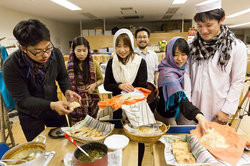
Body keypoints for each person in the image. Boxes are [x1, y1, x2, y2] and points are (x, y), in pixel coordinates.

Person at [3, 19, 81, 141]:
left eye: (48, 48)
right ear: (23, 48)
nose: (45, 55)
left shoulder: (55, 54)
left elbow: (62, 76)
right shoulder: (11, 66)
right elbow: (23, 100)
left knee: (64, 140)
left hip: (54, 108)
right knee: (39, 147)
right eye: (38, 52)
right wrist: (52, 105)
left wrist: (67, 90)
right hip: (30, 114)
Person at [184, 0, 247, 125]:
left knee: (214, 142)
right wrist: (188, 107)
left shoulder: (235, 46)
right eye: (200, 26)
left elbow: (237, 81)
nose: (204, 30)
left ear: (221, 20)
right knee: (192, 141)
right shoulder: (192, 46)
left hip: (218, 109)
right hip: (193, 109)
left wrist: (226, 110)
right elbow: (187, 76)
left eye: (209, 25)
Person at [103, 28, 147, 166]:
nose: (122, 50)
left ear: (131, 46)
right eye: (118, 46)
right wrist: (119, 86)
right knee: (117, 137)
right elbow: (106, 85)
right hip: (117, 107)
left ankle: (138, 162)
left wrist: (130, 95)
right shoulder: (112, 63)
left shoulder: (140, 62)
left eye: (126, 45)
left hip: (136, 108)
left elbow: (142, 87)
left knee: (137, 138)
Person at [156, 37, 209, 134]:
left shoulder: (186, 69)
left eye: (183, 54)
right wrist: (198, 115)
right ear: (169, 54)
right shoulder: (167, 74)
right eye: (175, 55)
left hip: (180, 112)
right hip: (167, 115)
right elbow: (180, 98)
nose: (180, 59)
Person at [67, 37, 103, 125]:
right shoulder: (67, 65)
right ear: (73, 50)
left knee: (93, 126)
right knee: (77, 128)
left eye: (84, 50)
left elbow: (101, 79)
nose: (82, 54)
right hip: (75, 102)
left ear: (88, 50)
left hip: (92, 100)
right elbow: (64, 83)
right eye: (78, 50)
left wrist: (94, 85)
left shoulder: (94, 63)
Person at [134, 27, 159, 112]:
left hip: (151, 91)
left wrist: (157, 84)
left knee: (151, 115)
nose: (142, 39)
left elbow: (156, 71)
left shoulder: (153, 55)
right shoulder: (132, 55)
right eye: (139, 37)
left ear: (148, 38)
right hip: (136, 92)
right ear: (136, 39)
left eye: (144, 37)